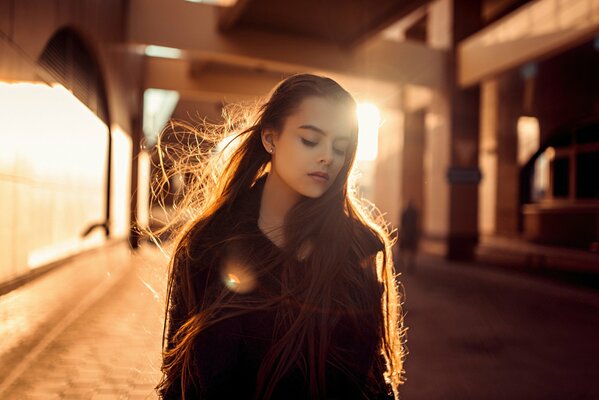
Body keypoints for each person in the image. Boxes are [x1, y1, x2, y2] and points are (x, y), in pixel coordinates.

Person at [153, 73, 407, 399]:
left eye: (340, 147)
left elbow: (374, 382)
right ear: (270, 138)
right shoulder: (207, 244)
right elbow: (178, 382)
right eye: (310, 140)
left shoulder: (356, 249)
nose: (328, 157)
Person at [399, 201, 420, 274]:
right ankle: (409, 263)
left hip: (408, 233)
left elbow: (402, 222)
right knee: (410, 250)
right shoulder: (414, 213)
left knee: (407, 249)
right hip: (411, 233)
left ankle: (407, 263)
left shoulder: (406, 212)